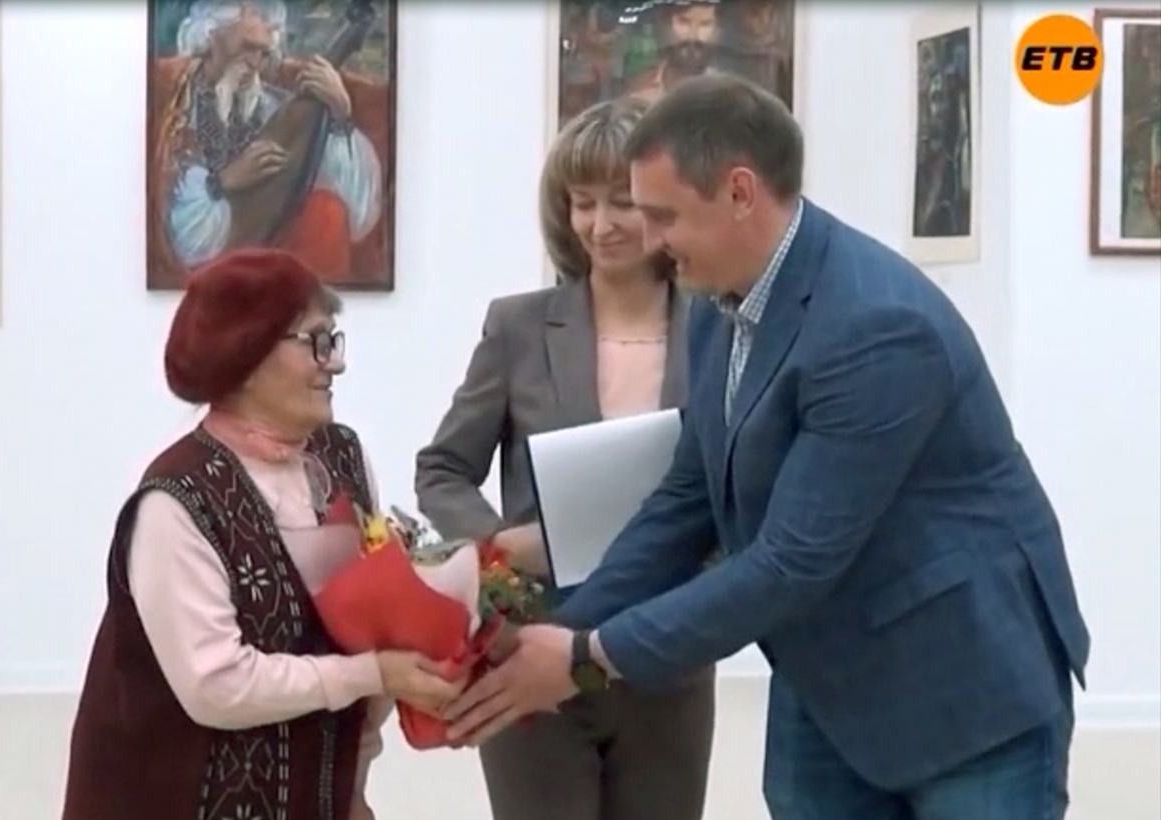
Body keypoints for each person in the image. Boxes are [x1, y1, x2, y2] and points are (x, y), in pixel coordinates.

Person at [445, 75, 1091, 820]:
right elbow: (687, 500)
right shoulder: (718, 304)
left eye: (663, 215)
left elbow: (791, 560)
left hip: (964, 689)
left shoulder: (876, 326)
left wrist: (587, 657)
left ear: (739, 193)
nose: (649, 240)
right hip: (826, 677)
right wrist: (563, 630)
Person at [61, 249, 463, 820]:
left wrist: (353, 789)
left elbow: (364, 633)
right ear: (247, 356)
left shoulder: (340, 458)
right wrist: (370, 674)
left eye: (333, 340)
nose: (335, 364)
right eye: (316, 342)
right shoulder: (177, 497)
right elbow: (216, 684)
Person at [415, 98, 715, 820]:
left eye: (622, 202)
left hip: (666, 651)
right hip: (529, 648)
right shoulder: (517, 327)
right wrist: (499, 550)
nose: (601, 224)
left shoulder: (719, 328)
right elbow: (442, 470)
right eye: (583, 203)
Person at [150, 0, 383, 280]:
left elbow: (360, 214)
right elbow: (181, 239)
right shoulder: (174, 107)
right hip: (205, 270)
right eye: (247, 47)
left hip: (275, 257)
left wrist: (340, 115)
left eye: (264, 53)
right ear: (210, 37)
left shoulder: (277, 110)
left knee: (326, 212)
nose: (255, 63)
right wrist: (221, 182)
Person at [625, 1, 720, 104]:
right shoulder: (638, 87)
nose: (692, 36)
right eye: (683, 22)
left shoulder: (725, 93)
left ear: (717, 31)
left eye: (705, 24)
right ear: (667, 24)